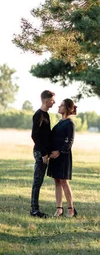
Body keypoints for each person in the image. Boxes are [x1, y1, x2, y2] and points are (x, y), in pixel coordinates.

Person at [48, 98, 78, 217]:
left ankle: (71, 209)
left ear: (67, 108)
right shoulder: (60, 122)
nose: (58, 107)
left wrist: (59, 152)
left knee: (64, 182)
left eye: (61, 105)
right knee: (56, 181)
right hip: (54, 155)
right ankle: (59, 209)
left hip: (63, 156)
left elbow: (70, 142)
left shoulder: (70, 123)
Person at [30, 90, 56, 218]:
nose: (54, 102)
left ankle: (35, 209)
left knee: (39, 181)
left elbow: (47, 135)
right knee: (37, 181)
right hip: (40, 152)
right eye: (52, 100)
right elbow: (35, 135)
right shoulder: (39, 115)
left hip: (45, 152)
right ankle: (34, 210)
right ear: (46, 101)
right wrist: (44, 154)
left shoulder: (46, 115)